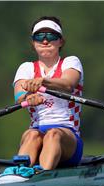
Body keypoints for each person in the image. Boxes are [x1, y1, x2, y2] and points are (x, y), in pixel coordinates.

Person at [13, 16, 84, 171]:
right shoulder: (26, 68)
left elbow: (68, 84)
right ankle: (19, 173)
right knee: (31, 135)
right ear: (33, 43)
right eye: (39, 37)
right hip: (37, 133)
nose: (45, 41)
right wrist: (27, 98)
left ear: (61, 41)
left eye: (51, 36)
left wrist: (43, 81)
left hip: (68, 137)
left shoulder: (71, 62)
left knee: (53, 134)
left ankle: (43, 173)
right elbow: (18, 95)